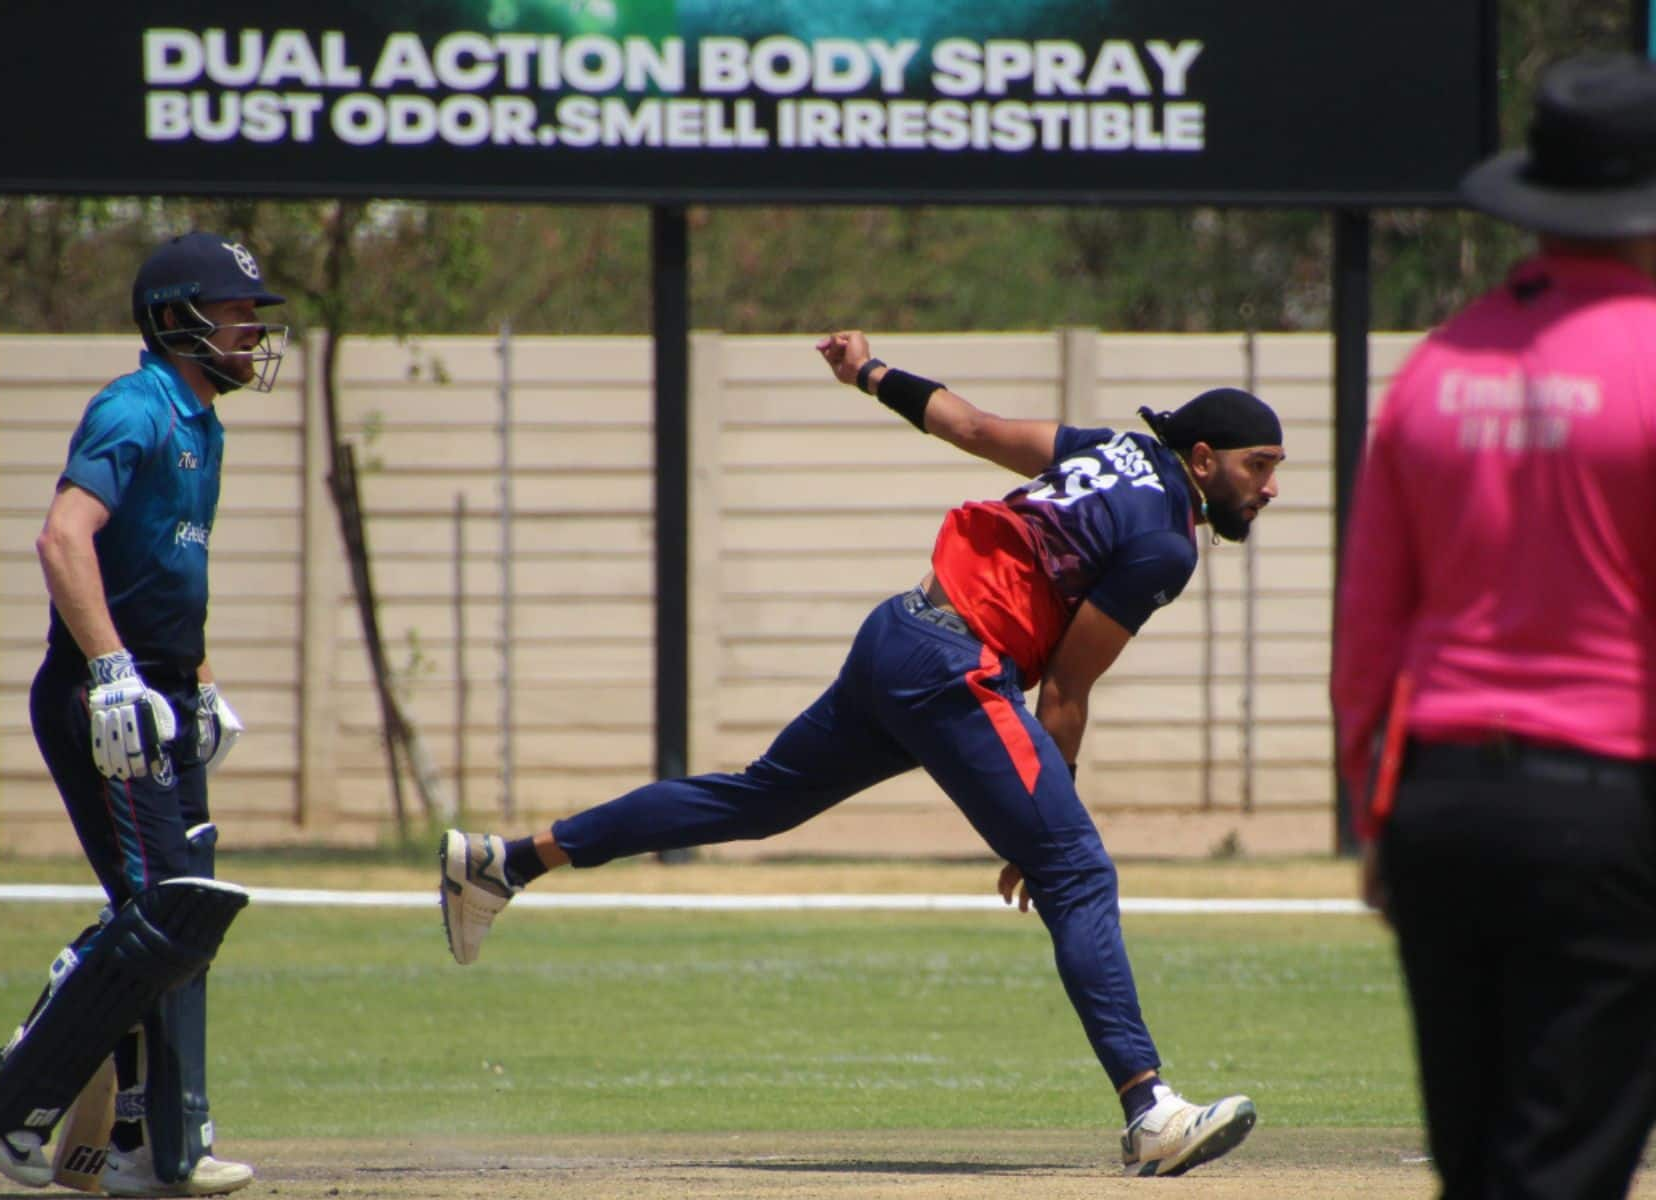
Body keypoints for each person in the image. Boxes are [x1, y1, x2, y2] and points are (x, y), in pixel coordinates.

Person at [440, 333, 1285, 1176]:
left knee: (758, 800)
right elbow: (1064, 688)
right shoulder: (1166, 545)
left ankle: (506, 863)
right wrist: (1041, 827)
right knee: (1077, 871)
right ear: (1203, 460)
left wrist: (871, 373)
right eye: (1259, 465)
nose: (1271, 487)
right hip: (958, 667)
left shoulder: (1114, 450)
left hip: (901, 631)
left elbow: (976, 427)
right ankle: (1149, 1112)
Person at [1333, 52, 1656, 1200]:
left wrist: (1376, 814)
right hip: (1607, 808)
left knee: (1477, 1169)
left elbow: (1370, 627)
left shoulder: (1438, 366)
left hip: (1440, 810)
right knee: (1562, 1166)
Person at [0, 232, 288, 1197]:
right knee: (163, 914)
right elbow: (63, 539)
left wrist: (201, 682)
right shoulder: (132, 407)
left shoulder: (204, 426)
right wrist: (112, 674)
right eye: (236, 316)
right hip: (109, 700)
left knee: (187, 918)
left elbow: (170, 578)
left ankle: (155, 1144)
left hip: (163, 695)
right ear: (179, 317)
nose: (250, 334)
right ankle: (11, 1096)